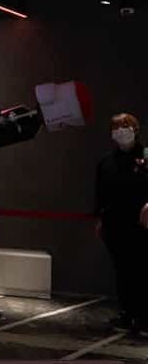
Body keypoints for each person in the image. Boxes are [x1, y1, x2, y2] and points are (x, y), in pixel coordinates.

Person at [93, 113, 148, 335]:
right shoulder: (106, 162)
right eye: (116, 127)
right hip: (115, 224)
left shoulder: (146, 157)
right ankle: (126, 313)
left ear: (135, 129)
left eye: (126, 126)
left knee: (142, 270)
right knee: (122, 270)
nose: (121, 131)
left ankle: (144, 317)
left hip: (142, 225)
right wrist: (99, 220)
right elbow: (101, 193)